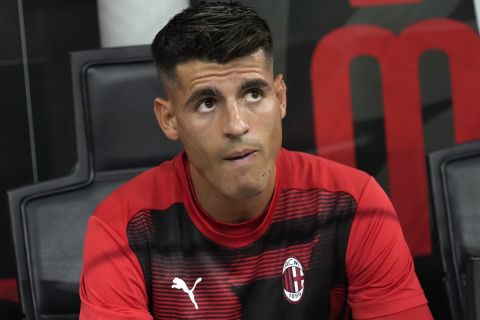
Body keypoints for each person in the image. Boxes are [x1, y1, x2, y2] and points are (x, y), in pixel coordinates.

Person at [79, 2, 433, 319]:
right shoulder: (123, 227)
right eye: (207, 102)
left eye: (253, 93)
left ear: (279, 98)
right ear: (169, 119)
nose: (236, 125)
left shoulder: (353, 204)